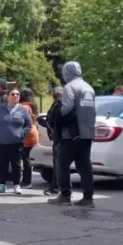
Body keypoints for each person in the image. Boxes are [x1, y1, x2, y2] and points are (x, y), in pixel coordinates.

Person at [49, 61, 96, 207]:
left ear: (67, 72)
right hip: (87, 133)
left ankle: (64, 196)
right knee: (84, 165)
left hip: (71, 134)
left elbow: (66, 108)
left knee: (62, 163)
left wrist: (58, 111)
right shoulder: (89, 88)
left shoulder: (70, 87)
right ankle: (88, 197)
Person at [0, 89, 32, 195]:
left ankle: (16, 185)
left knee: (16, 165)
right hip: (0, 142)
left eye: (18, 94)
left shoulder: (23, 110)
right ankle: (2, 185)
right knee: (1, 164)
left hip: (16, 143)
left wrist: (22, 134)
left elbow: (28, 125)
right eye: (13, 94)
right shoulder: (0, 109)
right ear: (8, 96)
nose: (15, 96)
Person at [44, 87, 64, 195]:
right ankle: (59, 188)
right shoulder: (70, 105)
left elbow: (50, 122)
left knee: (58, 164)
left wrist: (49, 127)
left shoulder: (57, 105)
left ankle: (56, 188)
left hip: (59, 138)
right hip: (64, 138)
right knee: (61, 164)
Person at [19, 88, 39, 188]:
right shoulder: (32, 106)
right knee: (27, 158)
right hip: (33, 133)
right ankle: (26, 180)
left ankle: (27, 181)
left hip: (26, 135)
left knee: (25, 159)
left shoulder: (23, 107)